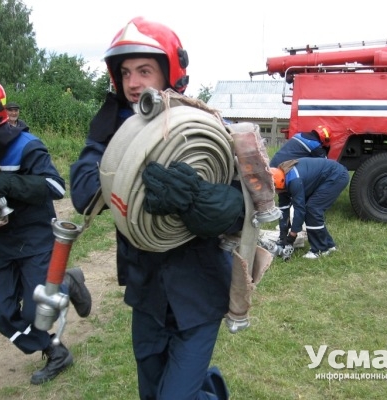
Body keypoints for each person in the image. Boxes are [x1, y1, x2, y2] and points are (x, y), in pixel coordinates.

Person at [70, 17, 235, 399]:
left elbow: (240, 212)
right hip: (146, 294)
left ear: (170, 72)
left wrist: (194, 199)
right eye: (125, 72)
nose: (132, 83)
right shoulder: (114, 130)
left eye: (144, 70)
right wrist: (102, 142)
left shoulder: (207, 129)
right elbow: (83, 194)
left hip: (198, 294)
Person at [0, 74, 92, 385]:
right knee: (5, 317)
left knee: (36, 310)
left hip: (33, 238)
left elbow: (54, 186)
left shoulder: (26, 145)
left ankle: (66, 283)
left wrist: (7, 183)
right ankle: (57, 351)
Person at [271, 157, 350, 259]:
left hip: (337, 175)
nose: (276, 193)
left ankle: (320, 249)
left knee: (312, 209)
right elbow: (283, 211)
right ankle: (329, 245)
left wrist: (292, 235)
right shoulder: (282, 181)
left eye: (276, 190)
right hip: (325, 177)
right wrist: (283, 237)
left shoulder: (294, 181)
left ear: (280, 183)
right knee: (311, 209)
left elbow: (300, 210)